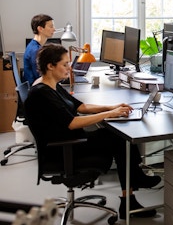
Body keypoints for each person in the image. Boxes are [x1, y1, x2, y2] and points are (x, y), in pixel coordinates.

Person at [24, 44, 160, 219]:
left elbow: (82, 106)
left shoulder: (52, 85)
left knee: (116, 137)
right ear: (50, 66)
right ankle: (134, 187)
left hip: (67, 140)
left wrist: (112, 107)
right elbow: (72, 123)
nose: (69, 67)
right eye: (65, 64)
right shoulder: (42, 93)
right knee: (118, 139)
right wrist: (110, 114)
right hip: (62, 150)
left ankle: (131, 192)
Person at [23, 14, 56, 86]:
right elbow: (41, 76)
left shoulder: (33, 45)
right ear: (40, 29)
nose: (54, 29)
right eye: (51, 26)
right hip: (38, 90)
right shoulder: (35, 50)